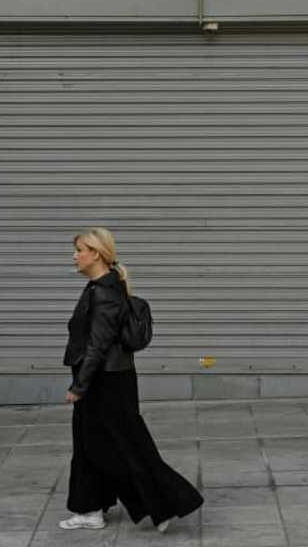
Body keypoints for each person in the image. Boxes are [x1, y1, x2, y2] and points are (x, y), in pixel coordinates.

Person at [60, 227, 203, 532]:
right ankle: (90, 509)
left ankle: (165, 504)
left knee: (122, 446)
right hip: (107, 377)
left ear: (95, 254)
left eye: (79, 250)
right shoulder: (101, 286)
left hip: (104, 380)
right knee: (93, 445)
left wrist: (79, 386)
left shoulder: (105, 292)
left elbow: (97, 346)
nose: (75, 255)